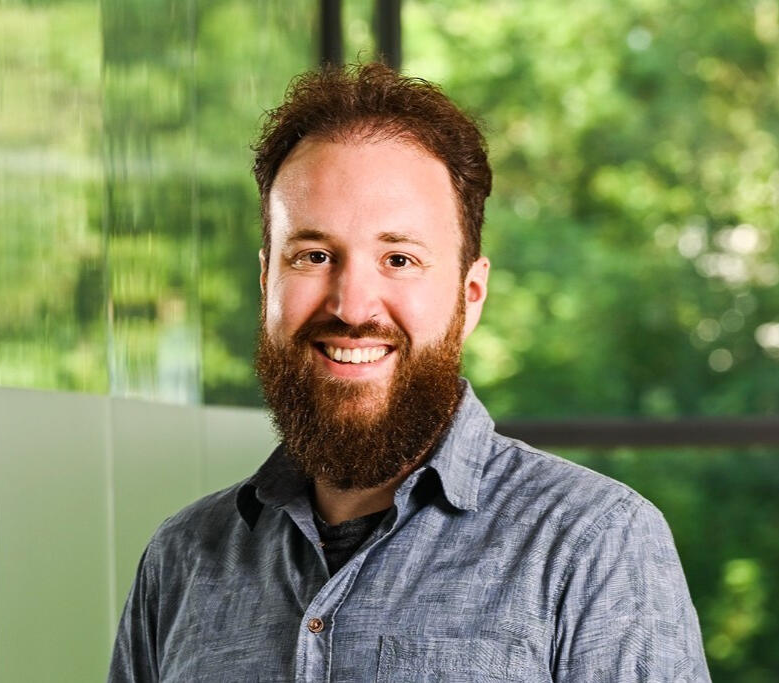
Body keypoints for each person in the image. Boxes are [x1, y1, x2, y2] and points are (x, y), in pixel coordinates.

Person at [109, 63, 711, 682]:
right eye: (313, 255)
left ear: (470, 296)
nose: (352, 307)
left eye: (399, 259)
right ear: (267, 283)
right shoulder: (180, 558)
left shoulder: (593, 543)